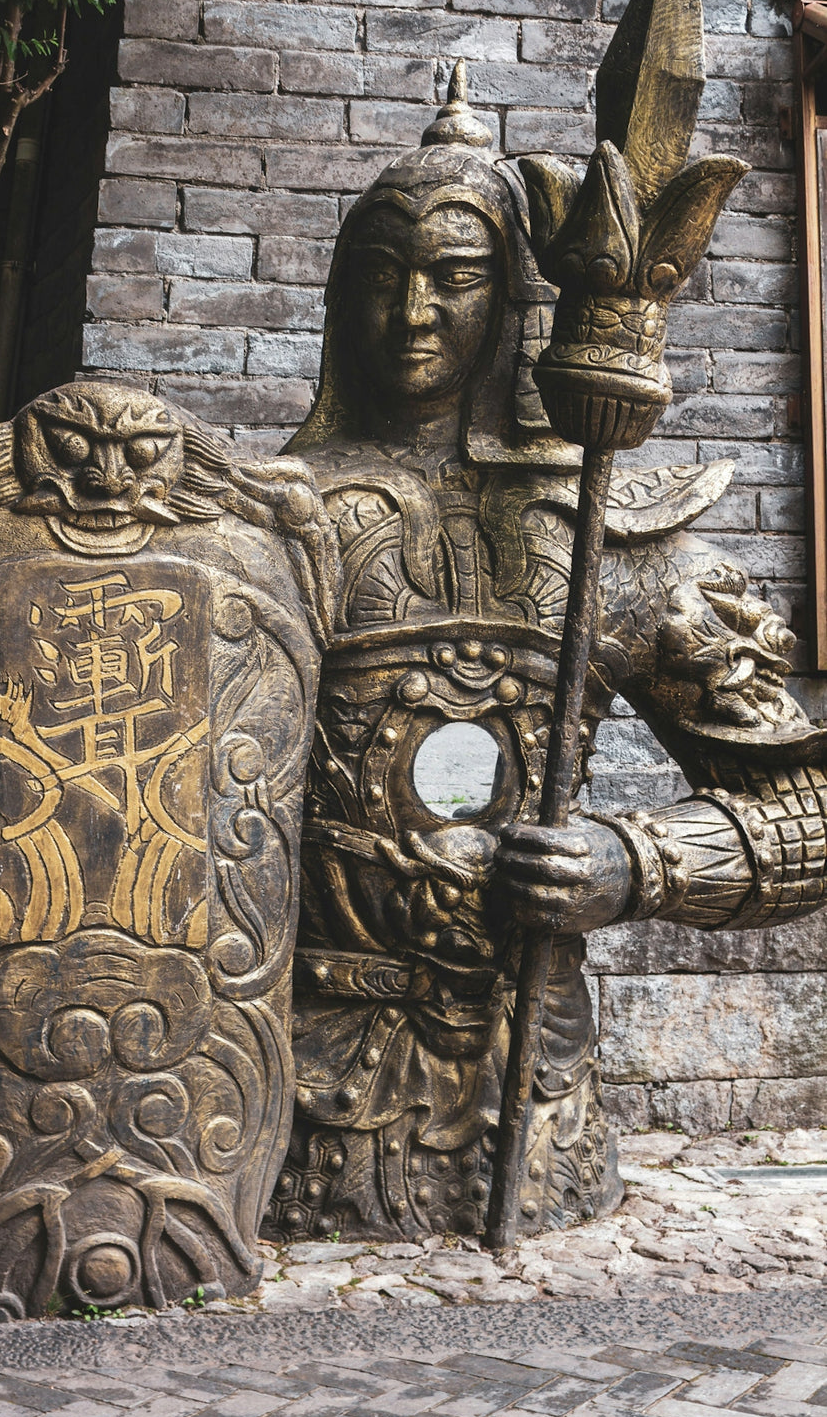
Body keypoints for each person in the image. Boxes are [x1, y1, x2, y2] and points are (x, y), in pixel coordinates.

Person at [264, 70, 826, 1243]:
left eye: (453, 276)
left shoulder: (602, 530)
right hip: (278, 1097)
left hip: (521, 1089)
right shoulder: (264, 517)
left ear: (510, 297)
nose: (413, 309)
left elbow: (806, 808)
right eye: (382, 273)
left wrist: (630, 862)